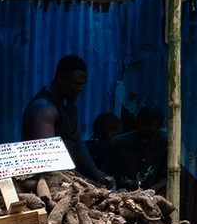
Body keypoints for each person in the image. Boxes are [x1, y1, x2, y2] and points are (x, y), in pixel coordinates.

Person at [22, 56, 109, 185]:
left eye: (83, 84)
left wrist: (97, 174)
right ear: (61, 78)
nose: (80, 89)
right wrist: (89, 184)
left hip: (68, 177)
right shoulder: (44, 109)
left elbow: (77, 142)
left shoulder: (70, 104)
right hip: (45, 181)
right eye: (76, 84)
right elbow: (49, 162)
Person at [101, 108, 167, 191]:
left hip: (154, 197)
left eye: (150, 135)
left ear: (160, 128)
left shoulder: (166, 144)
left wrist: (152, 190)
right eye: (141, 134)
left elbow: (170, 176)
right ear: (136, 124)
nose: (144, 140)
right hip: (124, 196)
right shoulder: (118, 143)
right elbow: (105, 176)